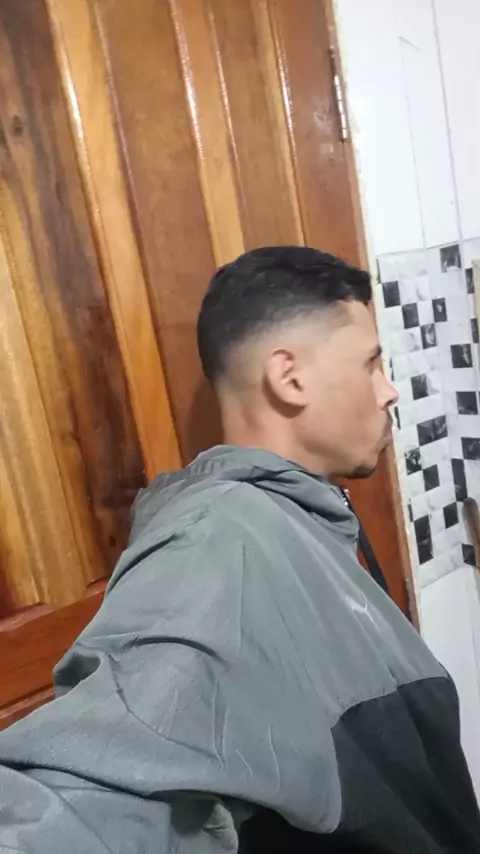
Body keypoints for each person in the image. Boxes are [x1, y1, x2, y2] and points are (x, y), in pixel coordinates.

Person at [0, 246, 478, 853]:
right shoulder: (215, 543)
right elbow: (87, 807)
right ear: (290, 377)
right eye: (370, 364)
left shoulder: (297, 517)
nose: (388, 391)